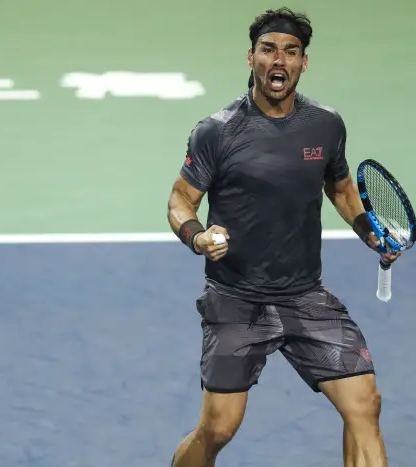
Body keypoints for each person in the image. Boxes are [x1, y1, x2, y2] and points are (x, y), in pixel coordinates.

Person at [166, 7, 401, 467]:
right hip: (236, 298)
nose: (280, 60)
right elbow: (179, 200)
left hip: (304, 296)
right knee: (217, 429)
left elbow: (341, 188)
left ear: (303, 63)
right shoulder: (217, 131)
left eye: (291, 52)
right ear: (251, 57)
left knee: (364, 406)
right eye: (269, 50)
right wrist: (198, 237)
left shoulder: (326, 125)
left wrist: (367, 231)